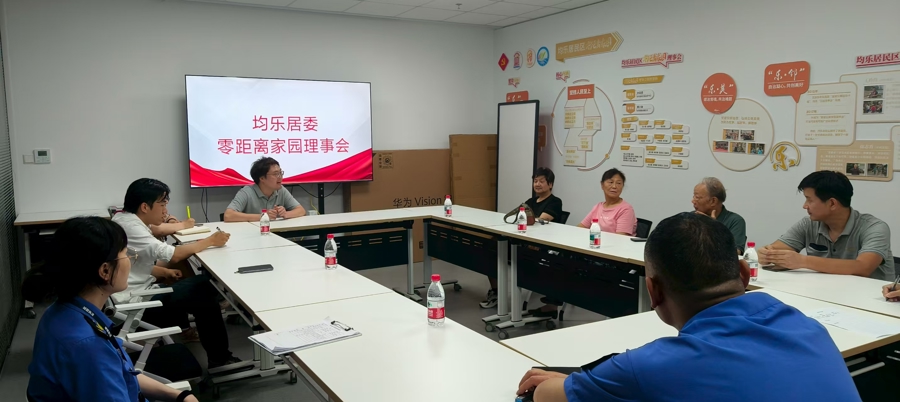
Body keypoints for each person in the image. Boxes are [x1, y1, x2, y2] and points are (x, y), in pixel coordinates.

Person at [516, 213, 861, 402]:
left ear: (653, 291)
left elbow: (544, 395)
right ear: (744, 274)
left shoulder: (651, 366)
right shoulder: (808, 328)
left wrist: (585, 383)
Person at [23, 217, 200, 402]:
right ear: (105, 271)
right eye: (125, 254)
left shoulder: (64, 310)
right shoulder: (89, 346)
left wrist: (179, 395)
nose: (130, 260)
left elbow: (123, 373)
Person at [113, 178, 241, 368]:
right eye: (162, 204)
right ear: (144, 207)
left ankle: (206, 344)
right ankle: (220, 358)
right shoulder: (131, 227)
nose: (165, 210)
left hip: (137, 294)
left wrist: (163, 271)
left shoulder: (124, 219)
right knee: (202, 288)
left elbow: (134, 263)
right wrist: (211, 240)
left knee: (197, 289)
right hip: (136, 306)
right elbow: (173, 254)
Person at [759, 171, 894, 280]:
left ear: (832, 204)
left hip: (869, 299)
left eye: (809, 200)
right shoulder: (808, 224)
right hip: (823, 293)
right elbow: (775, 249)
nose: (805, 206)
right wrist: (766, 254)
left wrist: (803, 261)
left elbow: (863, 267)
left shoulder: (874, 228)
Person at [480, 168, 562, 309]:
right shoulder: (531, 201)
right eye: (535, 181)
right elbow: (517, 217)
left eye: (542, 181)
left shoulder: (555, 202)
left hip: (539, 246)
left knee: (514, 253)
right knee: (491, 247)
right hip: (522, 241)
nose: (537, 184)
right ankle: (496, 292)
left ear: (550, 184)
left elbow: (540, 221)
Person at [224, 156, 307, 222]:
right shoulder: (246, 192)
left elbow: (301, 210)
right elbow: (228, 215)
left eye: (280, 173)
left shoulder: (281, 190)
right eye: (275, 174)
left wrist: (286, 214)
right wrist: (263, 216)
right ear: (262, 178)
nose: (280, 177)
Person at [691, 177, 747, 254]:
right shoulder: (690, 218)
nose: (693, 201)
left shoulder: (735, 221)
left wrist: (714, 228)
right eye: (693, 196)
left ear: (713, 201)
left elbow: (736, 252)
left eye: (697, 197)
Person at [577, 168, 636, 235]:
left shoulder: (626, 209)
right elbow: (580, 228)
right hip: (596, 241)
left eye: (619, 183)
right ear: (602, 185)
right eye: (610, 182)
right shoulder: (598, 207)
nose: (614, 186)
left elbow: (620, 238)